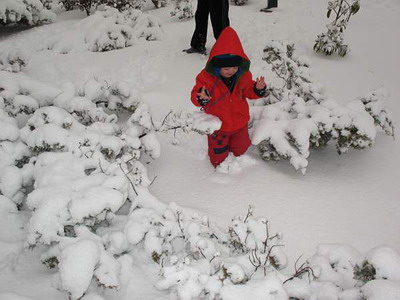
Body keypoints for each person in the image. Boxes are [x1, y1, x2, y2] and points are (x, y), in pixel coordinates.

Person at [190, 27, 267, 167]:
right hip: (218, 127)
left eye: (234, 68)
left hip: (239, 123)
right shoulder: (207, 78)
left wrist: (257, 89)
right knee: (218, 155)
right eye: (226, 69)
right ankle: (220, 169)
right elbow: (196, 93)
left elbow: (249, 90)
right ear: (217, 66)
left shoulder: (243, 76)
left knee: (241, 148)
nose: (231, 71)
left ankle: (238, 162)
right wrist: (200, 97)